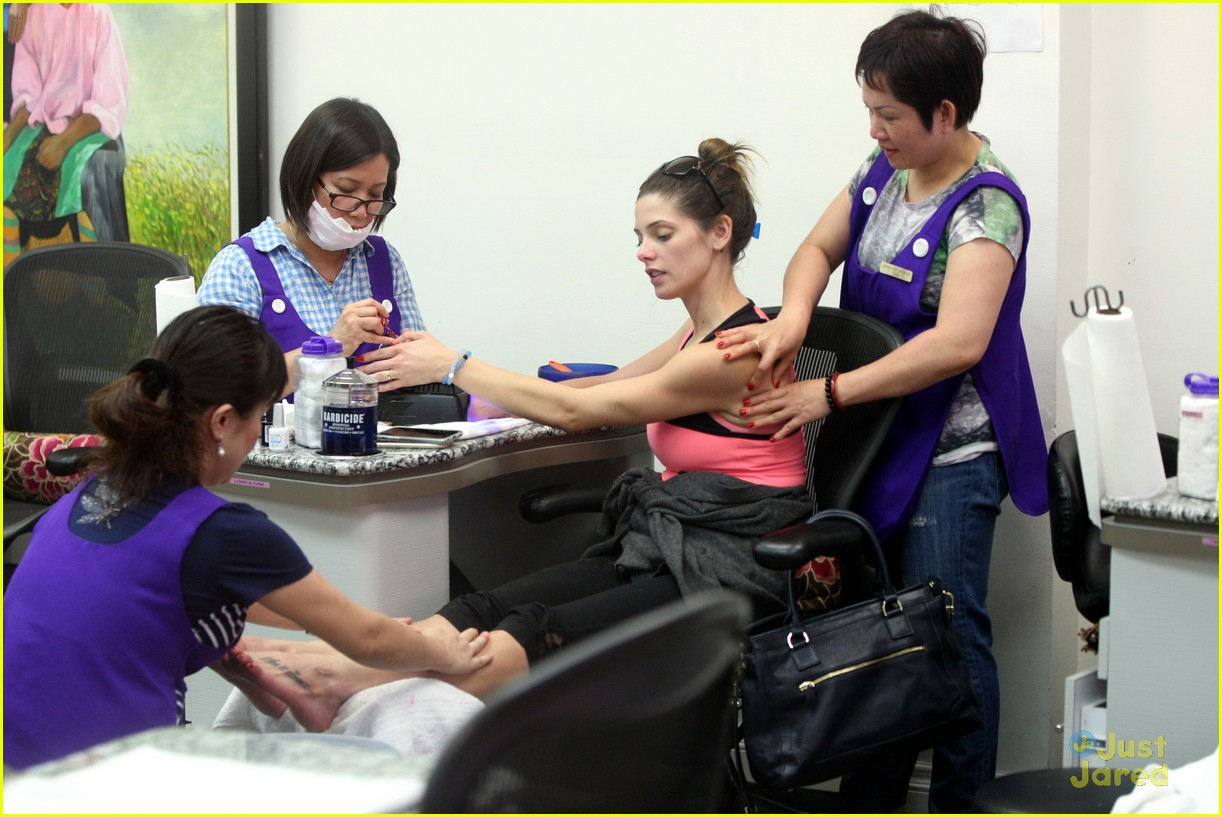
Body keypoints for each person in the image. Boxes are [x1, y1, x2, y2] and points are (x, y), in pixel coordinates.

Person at [214, 138, 814, 732]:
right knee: (485, 607)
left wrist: (454, 364)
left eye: (661, 235)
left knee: (535, 628)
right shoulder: (694, 336)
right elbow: (589, 392)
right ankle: (312, 661)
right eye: (638, 238)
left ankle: (336, 681)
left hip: (727, 564)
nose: (643, 253)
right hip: (670, 544)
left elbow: (591, 411)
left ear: (719, 233)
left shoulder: (737, 350)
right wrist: (474, 398)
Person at [717, 9, 1049, 812]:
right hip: (879, 436)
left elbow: (956, 343)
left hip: (952, 452)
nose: (875, 128)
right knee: (877, 640)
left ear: (945, 113)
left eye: (890, 114)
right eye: (870, 109)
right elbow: (814, 251)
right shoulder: (883, 170)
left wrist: (824, 393)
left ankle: (963, 803)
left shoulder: (987, 206)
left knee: (946, 637)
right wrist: (795, 315)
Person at [2, 305, 491, 771]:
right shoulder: (222, 531)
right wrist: (440, 650)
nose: (257, 434)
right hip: (112, 785)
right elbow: (366, 640)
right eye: (259, 418)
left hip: (19, 770)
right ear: (221, 422)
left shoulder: (90, 495)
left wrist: (331, 625)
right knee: (378, 765)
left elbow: (161, 591)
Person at [196, 97, 426, 389]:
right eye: (345, 190)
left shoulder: (384, 261)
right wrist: (331, 347)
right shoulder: (241, 267)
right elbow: (214, 388)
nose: (359, 211)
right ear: (304, 177)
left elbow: (421, 373)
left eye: (375, 195)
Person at [3, 2, 130, 267]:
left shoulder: (98, 13)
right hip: (43, 122)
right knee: (7, 171)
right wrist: (8, 138)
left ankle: (103, 287)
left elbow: (109, 99)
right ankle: (10, 290)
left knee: (89, 176)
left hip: (92, 126)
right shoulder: (34, 13)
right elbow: (27, 92)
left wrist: (64, 142)